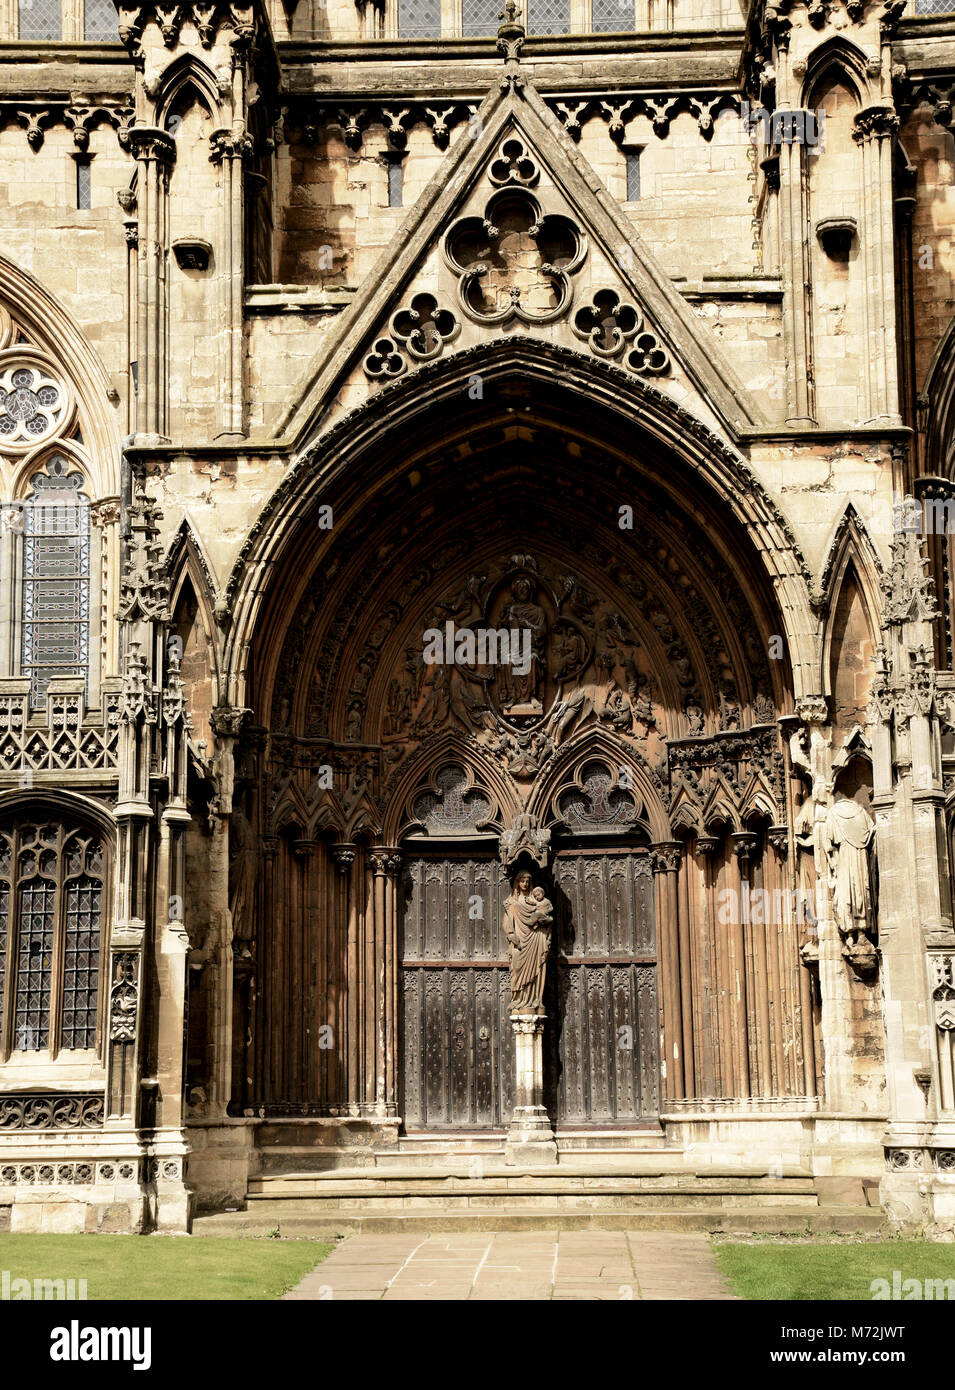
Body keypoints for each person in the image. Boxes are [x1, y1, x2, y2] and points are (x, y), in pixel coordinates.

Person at [502, 870, 553, 1013]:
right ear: (517, 883)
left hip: (536, 938)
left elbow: (547, 917)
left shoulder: (536, 900)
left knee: (536, 971)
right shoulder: (511, 901)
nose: (524, 884)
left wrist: (546, 922)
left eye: (527, 881)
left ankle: (535, 1001)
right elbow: (507, 922)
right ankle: (518, 1000)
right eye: (522, 881)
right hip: (519, 941)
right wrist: (511, 935)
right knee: (517, 968)